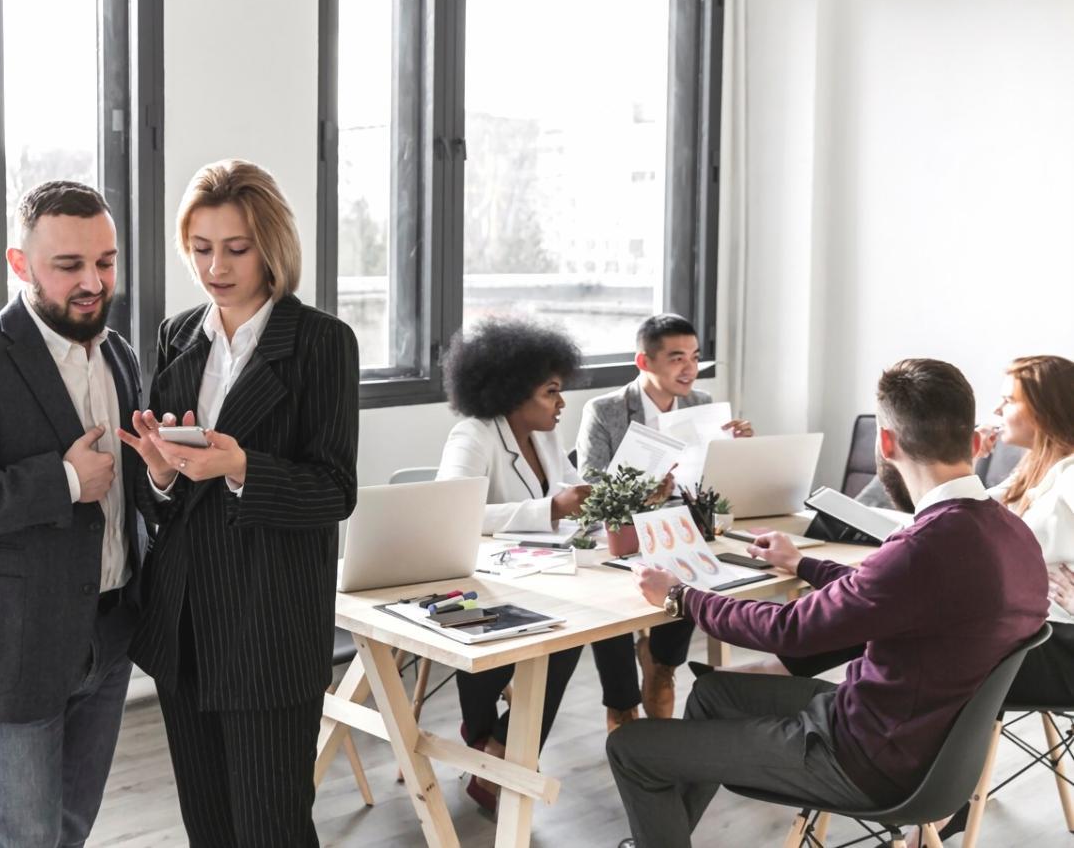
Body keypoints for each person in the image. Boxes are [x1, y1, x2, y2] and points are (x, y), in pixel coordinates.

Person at [604, 358, 1048, 848]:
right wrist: (804, 565)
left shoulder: (923, 547)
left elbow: (790, 630)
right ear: (970, 439)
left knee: (631, 747)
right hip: (921, 744)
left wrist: (680, 596)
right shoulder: (1010, 532)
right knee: (714, 695)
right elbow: (889, 593)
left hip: (863, 758)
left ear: (886, 442)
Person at [118, 159, 358, 847]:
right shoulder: (176, 335)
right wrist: (161, 473)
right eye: (199, 248)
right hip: (183, 623)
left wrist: (242, 466)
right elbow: (157, 494)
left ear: (270, 245)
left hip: (268, 626)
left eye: (235, 247)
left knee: (271, 827)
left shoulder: (320, 343)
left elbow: (334, 489)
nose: (214, 267)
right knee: (209, 826)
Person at [0, 181, 147, 847]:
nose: (93, 280)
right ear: (20, 264)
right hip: (12, 649)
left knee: (69, 826)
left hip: (108, 635)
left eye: (105, 260)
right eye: (69, 265)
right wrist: (64, 479)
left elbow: (126, 499)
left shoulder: (119, 355)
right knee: (22, 837)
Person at [435, 318, 633, 813]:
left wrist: (603, 501)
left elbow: (569, 497)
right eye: (550, 392)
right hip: (471, 589)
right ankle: (491, 740)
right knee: (555, 637)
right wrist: (552, 509)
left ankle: (497, 747)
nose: (561, 403)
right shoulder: (473, 436)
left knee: (573, 629)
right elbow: (450, 512)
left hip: (532, 579)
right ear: (510, 392)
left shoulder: (545, 437)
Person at [575, 313, 754, 717]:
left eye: (694, 356)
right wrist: (643, 492)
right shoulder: (604, 411)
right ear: (644, 363)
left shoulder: (702, 405)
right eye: (676, 358)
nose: (690, 368)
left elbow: (713, 486)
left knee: (694, 570)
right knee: (609, 602)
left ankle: (662, 667)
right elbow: (591, 490)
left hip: (679, 532)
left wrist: (737, 451)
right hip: (620, 537)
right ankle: (621, 704)